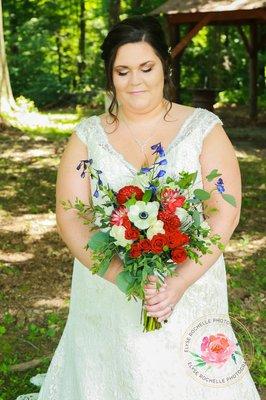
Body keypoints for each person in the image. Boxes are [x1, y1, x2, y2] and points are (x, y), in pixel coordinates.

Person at [17, 15, 261, 400]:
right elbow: (71, 216)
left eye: (146, 68)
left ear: (165, 64)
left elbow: (222, 208)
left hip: (191, 275)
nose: (136, 82)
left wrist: (178, 281)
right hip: (107, 284)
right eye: (123, 71)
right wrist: (120, 276)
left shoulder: (204, 128)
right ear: (110, 75)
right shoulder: (87, 137)